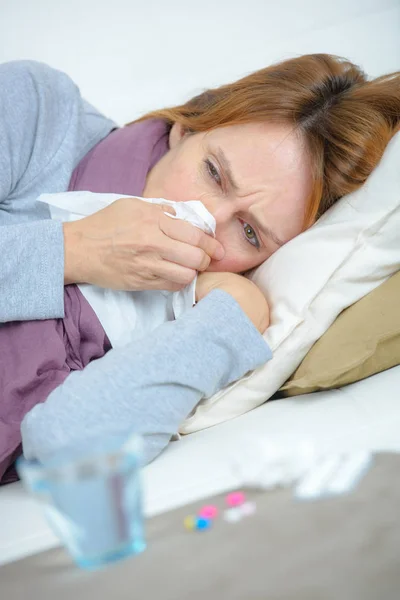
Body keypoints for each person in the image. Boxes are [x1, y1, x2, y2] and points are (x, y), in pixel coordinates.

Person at [0, 54, 399, 483]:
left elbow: (66, 447)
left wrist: (227, 324)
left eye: (249, 234)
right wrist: (75, 249)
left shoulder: (187, 319)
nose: (202, 215)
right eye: (213, 173)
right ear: (188, 126)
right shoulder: (39, 110)